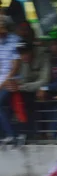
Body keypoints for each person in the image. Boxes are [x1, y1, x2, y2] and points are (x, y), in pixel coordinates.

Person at [0, 16, 22, 145]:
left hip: (12, 79)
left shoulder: (15, 40)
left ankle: (12, 135)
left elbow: (15, 67)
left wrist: (3, 83)